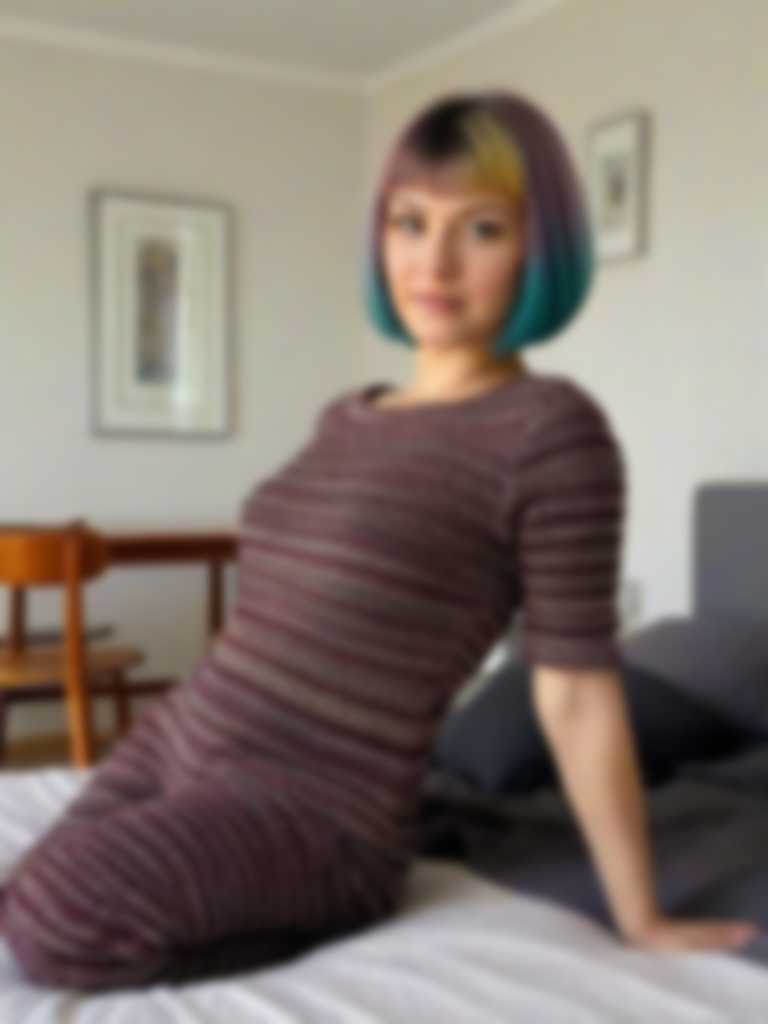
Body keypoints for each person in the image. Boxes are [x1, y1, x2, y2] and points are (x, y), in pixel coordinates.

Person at [0, 89, 758, 993]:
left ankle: (331, 905)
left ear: (538, 250)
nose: (433, 261)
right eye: (410, 222)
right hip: (185, 732)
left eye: (481, 229)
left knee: (53, 921)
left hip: (316, 807)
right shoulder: (350, 413)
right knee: (17, 896)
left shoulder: (549, 432)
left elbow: (575, 692)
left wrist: (641, 916)